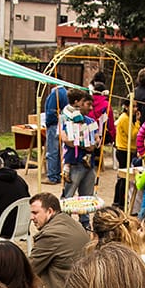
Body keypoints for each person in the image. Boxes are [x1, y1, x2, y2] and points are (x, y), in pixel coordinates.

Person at [27, 193, 90, 288]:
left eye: (35, 213)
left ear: (50, 211)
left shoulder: (50, 235)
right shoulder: (69, 222)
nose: (31, 218)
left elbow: (27, 270)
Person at [60, 90, 99, 221]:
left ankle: (85, 223)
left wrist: (90, 144)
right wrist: (85, 144)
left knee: (87, 199)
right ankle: (65, 223)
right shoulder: (66, 119)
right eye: (87, 104)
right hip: (73, 163)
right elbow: (67, 140)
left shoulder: (91, 121)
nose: (90, 108)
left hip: (89, 165)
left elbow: (96, 141)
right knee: (68, 196)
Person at [41, 84, 69, 185]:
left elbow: (50, 112)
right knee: (59, 151)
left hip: (54, 125)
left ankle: (52, 176)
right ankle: (57, 174)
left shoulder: (55, 93)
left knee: (52, 151)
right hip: (63, 124)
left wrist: (48, 123)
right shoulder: (65, 93)